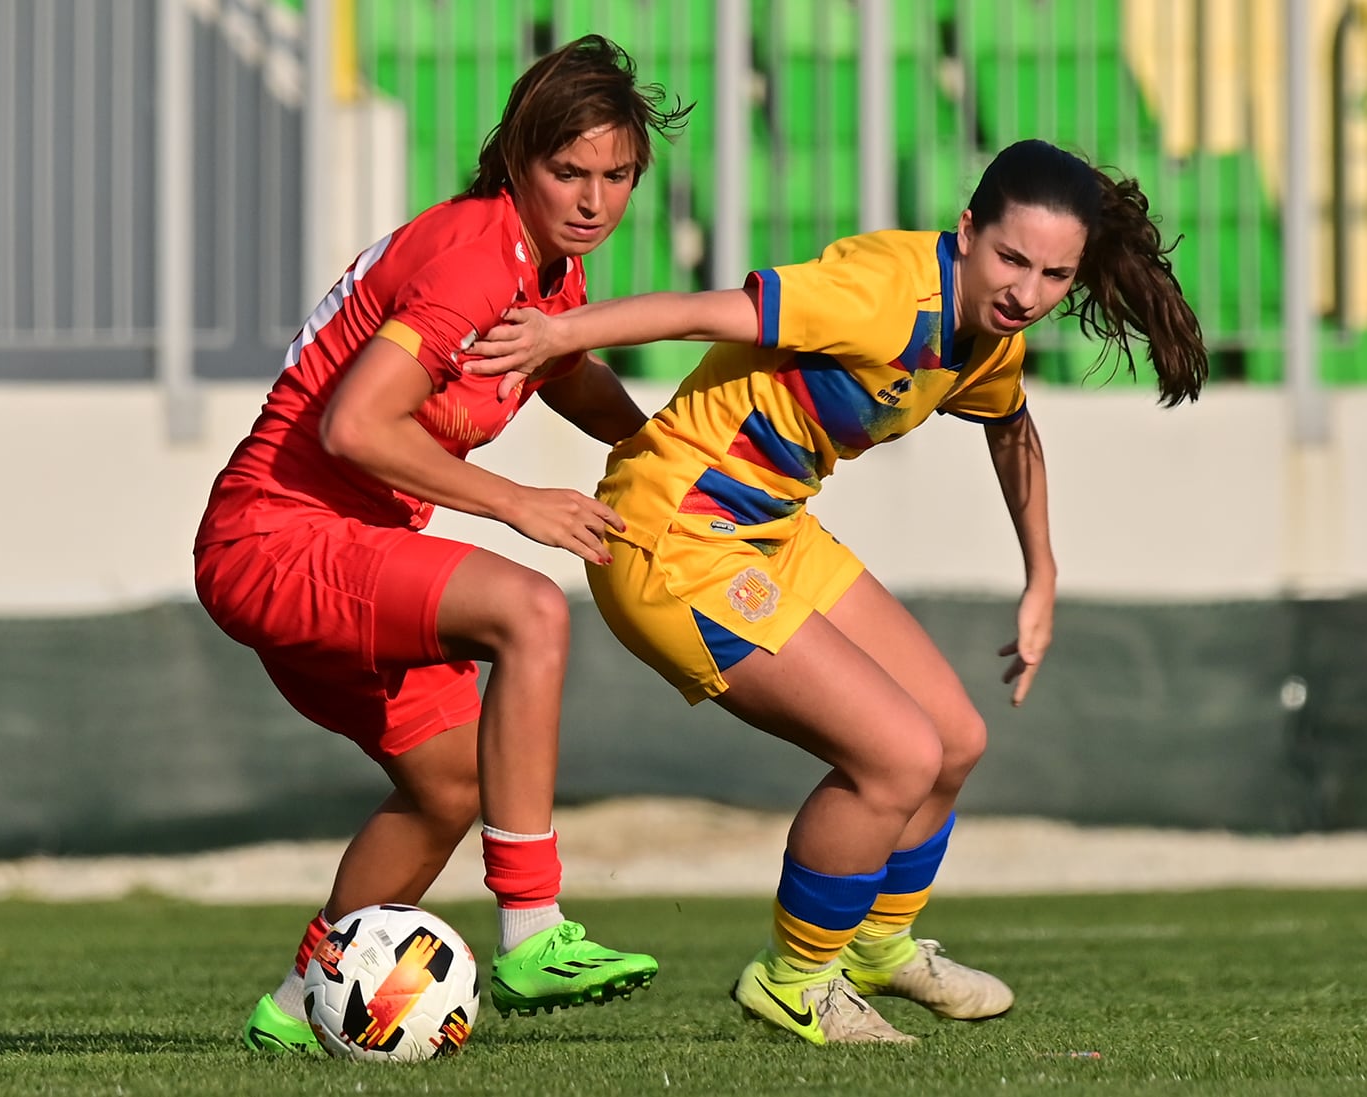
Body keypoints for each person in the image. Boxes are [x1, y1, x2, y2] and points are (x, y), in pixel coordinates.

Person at [467, 138, 1208, 1044]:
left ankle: (877, 946)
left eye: (1055, 274)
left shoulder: (988, 332)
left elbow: (1011, 429)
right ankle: (795, 980)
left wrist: (1041, 573)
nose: (1027, 291)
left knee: (954, 741)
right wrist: (558, 334)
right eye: (1012, 259)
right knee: (895, 755)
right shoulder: (886, 287)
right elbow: (709, 311)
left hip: (769, 528)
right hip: (673, 537)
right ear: (967, 231)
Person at [193, 35, 692, 1053]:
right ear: (517, 161)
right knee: (532, 606)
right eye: (569, 172)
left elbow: (561, 372)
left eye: (618, 176)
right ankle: (533, 927)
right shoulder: (474, 256)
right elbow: (354, 428)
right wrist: (516, 502)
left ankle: (297, 1010)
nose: (594, 200)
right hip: (276, 536)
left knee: (452, 783)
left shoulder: (547, 270)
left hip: (339, 548)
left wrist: (656, 448)